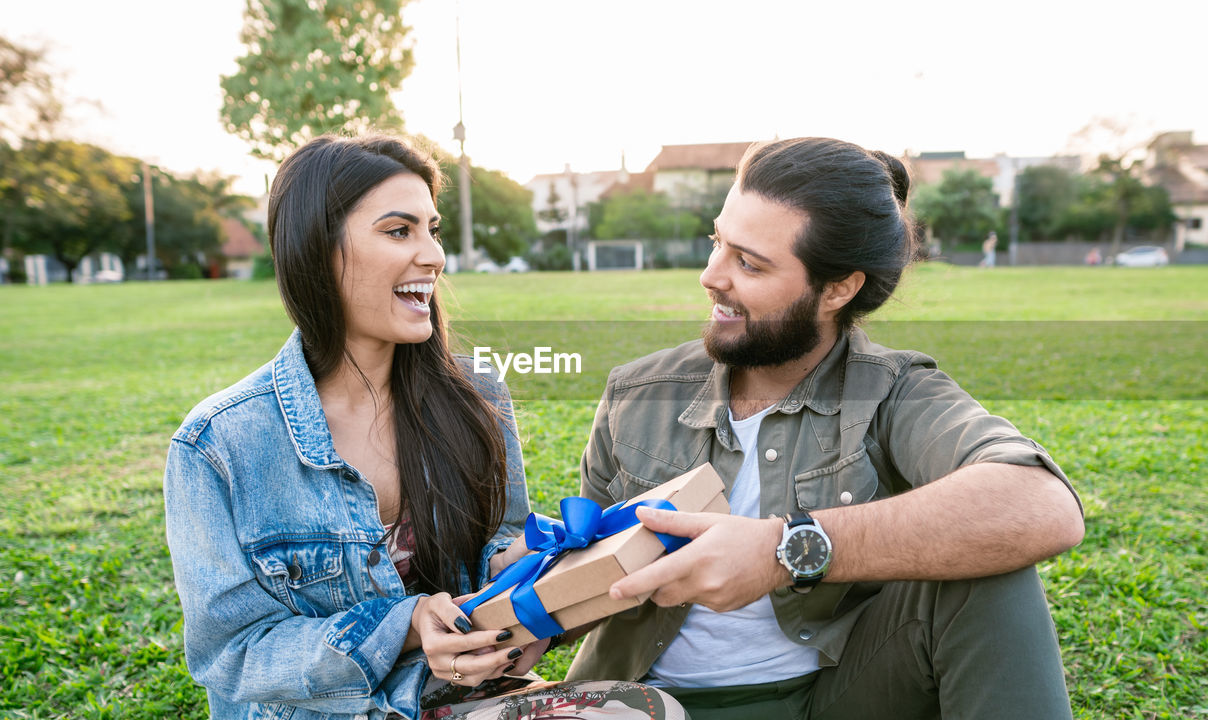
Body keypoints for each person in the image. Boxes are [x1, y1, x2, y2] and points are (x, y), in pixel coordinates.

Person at [163, 134, 686, 720]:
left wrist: (528, 577)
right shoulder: (219, 443)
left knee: (644, 713)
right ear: (317, 250)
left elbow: (491, 546)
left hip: (453, 699)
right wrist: (406, 627)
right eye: (398, 230)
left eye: (432, 230)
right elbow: (230, 653)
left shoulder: (476, 392)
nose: (434, 256)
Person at [563, 138, 1084, 719]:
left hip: (838, 697)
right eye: (718, 243)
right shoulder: (638, 392)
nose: (711, 276)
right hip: (639, 703)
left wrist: (784, 549)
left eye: (749, 263)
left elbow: (1040, 503)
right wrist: (515, 625)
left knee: (990, 568)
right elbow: (585, 573)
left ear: (837, 289)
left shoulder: (893, 389)